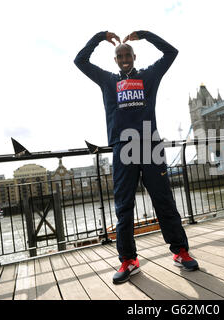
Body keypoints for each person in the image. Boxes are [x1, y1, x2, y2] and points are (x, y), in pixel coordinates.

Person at [74, 30, 199, 284]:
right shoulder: (108, 80)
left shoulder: (149, 76)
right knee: (124, 207)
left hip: (150, 145)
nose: (123, 58)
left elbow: (171, 52)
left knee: (164, 200)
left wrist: (144, 34)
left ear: (134, 56)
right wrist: (99, 37)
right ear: (115, 60)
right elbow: (81, 61)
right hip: (123, 148)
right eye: (119, 56)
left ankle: (181, 251)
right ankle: (128, 260)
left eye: (127, 54)